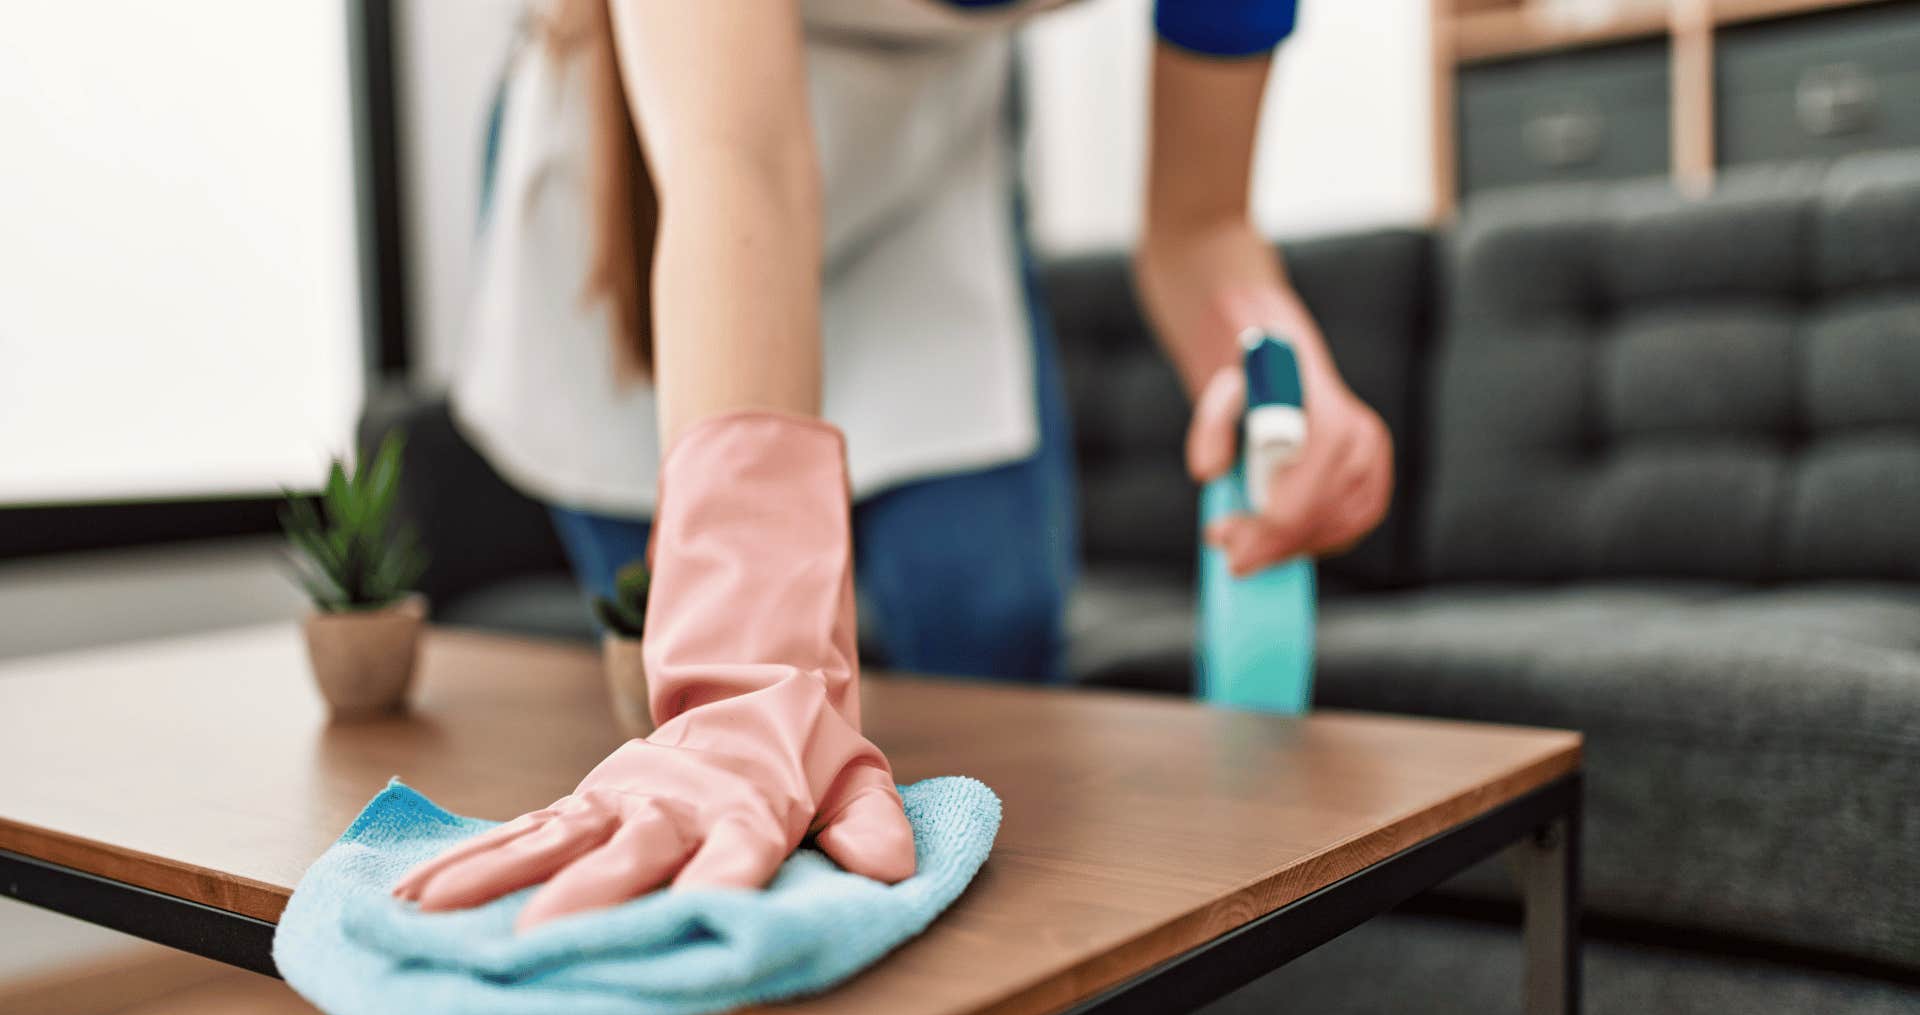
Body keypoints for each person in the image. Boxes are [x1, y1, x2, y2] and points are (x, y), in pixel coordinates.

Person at [394, 0, 1392, 930]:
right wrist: (744, 673)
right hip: (659, 156)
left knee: (989, 623)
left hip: (929, 147)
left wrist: (1271, 367)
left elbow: (1202, 224)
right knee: (679, 671)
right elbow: (736, 160)